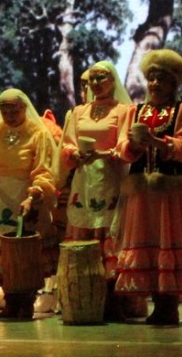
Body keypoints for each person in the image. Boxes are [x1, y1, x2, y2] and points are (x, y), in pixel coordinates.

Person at [114, 49, 182, 326]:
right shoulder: (135, 111)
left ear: (173, 83)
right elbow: (122, 148)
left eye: (161, 78)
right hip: (143, 192)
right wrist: (134, 145)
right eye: (151, 78)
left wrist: (158, 142)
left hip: (172, 191)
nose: (155, 84)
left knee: (168, 241)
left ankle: (169, 305)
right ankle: (157, 304)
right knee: (149, 242)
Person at [56, 60, 133, 321]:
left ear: (113, 80)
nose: (96, 83)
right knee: (84, 234)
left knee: (109, 235)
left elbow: (125, 145)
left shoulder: (123, 111)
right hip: (84, 180)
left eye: (102, 77)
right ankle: (85, 299)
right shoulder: (78, 112)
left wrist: (103, 154)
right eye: (92, 78)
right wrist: (74, 154)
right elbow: (67, 144)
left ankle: (114, 301)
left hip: (110, 177)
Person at [0, 89, 58, 320]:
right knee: (4, 251)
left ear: (24, 108)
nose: (10, 115)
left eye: (15, 110)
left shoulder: (38, 133)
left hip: (27, 195)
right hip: (0, 195)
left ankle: (27, 303)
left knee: (25, 251)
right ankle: (10, 302)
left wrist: (33, 195)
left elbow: (43, 169)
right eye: (5, 110)